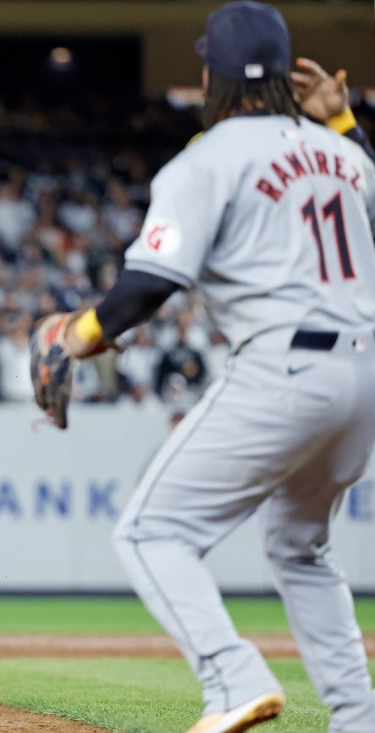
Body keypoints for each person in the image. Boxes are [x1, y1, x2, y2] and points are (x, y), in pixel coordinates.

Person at [31, 4, 375, 732]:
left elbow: (151, 283)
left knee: (151, 532)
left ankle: (231, 678)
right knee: (299, 546)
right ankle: (358, 719)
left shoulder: (206, 158)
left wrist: (78, 333)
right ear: (288, 74)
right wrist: (342, 124)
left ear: (210, 75)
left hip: (285, 368)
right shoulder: (342, 152)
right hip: (362, 374)